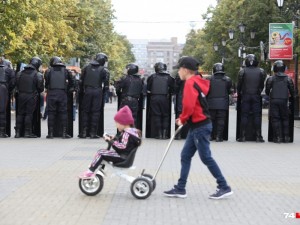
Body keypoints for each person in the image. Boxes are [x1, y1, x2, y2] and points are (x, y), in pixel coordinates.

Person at [163, 56, 233, 199]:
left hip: (200, 126)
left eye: (179, 70)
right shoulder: (197, 82)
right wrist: (184, 118)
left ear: (186, 70)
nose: (178, 73)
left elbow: (188, 105)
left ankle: (224, 186)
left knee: (206, 157)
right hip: (197, 125)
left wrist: (182, 119)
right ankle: (180, 188)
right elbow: (193, 105)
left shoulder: (190, 83)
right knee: (185, 155)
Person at [79, 106, 142, 179]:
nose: (116, 126)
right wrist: (114, 138)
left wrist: (111, 141)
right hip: (125, 156)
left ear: (123, 123)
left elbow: (122, 147)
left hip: (122, 157)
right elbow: (125, 144)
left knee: (101, 152)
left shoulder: (126, 134)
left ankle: (90, 171)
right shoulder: (131, 132)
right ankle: (93, 167)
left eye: (117, 123)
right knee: (103, 152)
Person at [78, 53, 110, 139]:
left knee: (85, 111)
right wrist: (103, 94)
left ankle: (84, 132)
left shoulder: (86, 67)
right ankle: (93, 133)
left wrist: (81, 92)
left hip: (87, 91)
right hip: (98, 91)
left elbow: (80, 81)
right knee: (95, 112)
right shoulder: (104, 70)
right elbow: (106, 86)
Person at [237, 54, 266, 142]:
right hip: (256, 95)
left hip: (245, 95)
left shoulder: (242, 71)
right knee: (257, 116)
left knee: (244, 115)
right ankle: (258, 136)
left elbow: (239, 85)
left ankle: (242, 136)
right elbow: (261, 84)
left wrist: (240, 93)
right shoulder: (261, 71)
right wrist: (258, 91)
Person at [44, 56, 75, 139]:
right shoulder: (66, 71)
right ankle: (64, 133)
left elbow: (46, 83)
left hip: (52, 93)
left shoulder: (48, 71)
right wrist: (68, 89)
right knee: (63, 113)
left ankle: (50, 133)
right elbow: (73, 82)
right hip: (62, 93)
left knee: (51, 113)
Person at [265, 60, 294, 143]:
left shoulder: (271, 78)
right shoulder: (288, 79)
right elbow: (292, 91)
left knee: (275, 119)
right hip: (284, 100)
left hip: (274, 100)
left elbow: (267, 91)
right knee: (285, 118)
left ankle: (277, 137)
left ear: (275, 68)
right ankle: (286, 137)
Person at [15, 57, 44, 138]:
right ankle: (27, 132)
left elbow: (16, 84)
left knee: (20, 113)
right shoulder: (38, 74)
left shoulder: (20, 73)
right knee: (29, 114)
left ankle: (17, 132)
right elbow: (40, 88)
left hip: (21, 95)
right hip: (31, 96)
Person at [146, 62, 174, 139]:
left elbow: (148, 88)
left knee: (156, 115)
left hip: (154, 98)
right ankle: (165, 134)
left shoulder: (152, 77)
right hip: (165, 98)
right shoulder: (169, 77)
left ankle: (158, 134)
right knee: (165, 116)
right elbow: (173, 88)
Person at [207, 63, 232, 142]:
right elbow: (229, 91)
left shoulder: (209, 79)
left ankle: (210, 136)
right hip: (223, 103)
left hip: (211, 103)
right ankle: (219, 136)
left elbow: (206, 91)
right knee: (221, 120)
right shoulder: (227, 79)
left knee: (210, 120)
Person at [115, 63, 143, 130]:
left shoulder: (125, 78)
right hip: (135, 100)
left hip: (126, 100)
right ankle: (132, 132)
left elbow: (118, 88)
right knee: (133, 117)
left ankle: (122, 133)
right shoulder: (140, 79)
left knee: (122, 116)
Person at [0, 57, 15, 138]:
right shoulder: (9, 70)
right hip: (3, 89)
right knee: (2, 110)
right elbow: (13, 82)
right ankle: (2, 132)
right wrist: (8, 89)